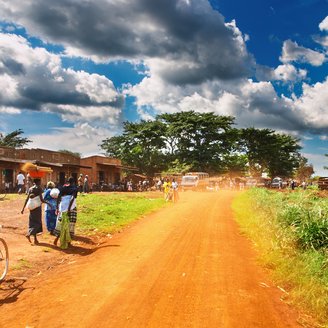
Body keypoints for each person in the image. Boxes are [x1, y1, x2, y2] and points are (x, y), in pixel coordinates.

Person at [21, 178, 52, 245]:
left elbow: (27, 199)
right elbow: (41, 199)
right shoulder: (39, 188)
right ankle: (29, 234)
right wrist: (49, 203)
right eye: (40, 181)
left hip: (31, 207)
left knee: (32, 222)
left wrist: (23, 208)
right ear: (38, 182)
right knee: (37, 222)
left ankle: (35, 239)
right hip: (37, 207)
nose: (40, 182)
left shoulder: (30, 189)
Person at [53, 177, 78, 249]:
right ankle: (69, 242)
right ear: (74, 182)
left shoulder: (62, 188)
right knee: (70, 225)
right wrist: (69, 208)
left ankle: (56, 239)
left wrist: (57, 208)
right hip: (71, 208)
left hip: (62, 208)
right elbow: (72, 198)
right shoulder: (74, 188)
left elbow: (58, 198)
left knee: (61, 223)